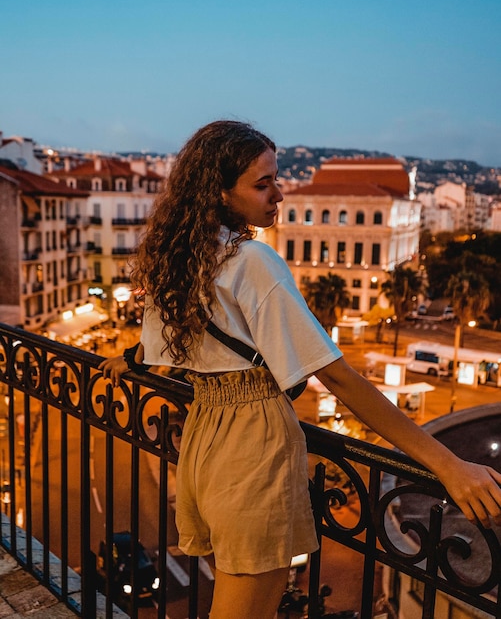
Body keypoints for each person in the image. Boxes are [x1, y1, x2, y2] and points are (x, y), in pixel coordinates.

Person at [99, 120, 501, 619]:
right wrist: (448, 465)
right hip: (252, 447)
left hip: (205, 441)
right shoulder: (252, 261)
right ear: (220, 194)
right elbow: (336, 377)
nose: (279, 195)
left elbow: (162, 348)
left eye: (277, 179)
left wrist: (128, 361)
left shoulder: (182, 261)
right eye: (262, 184)